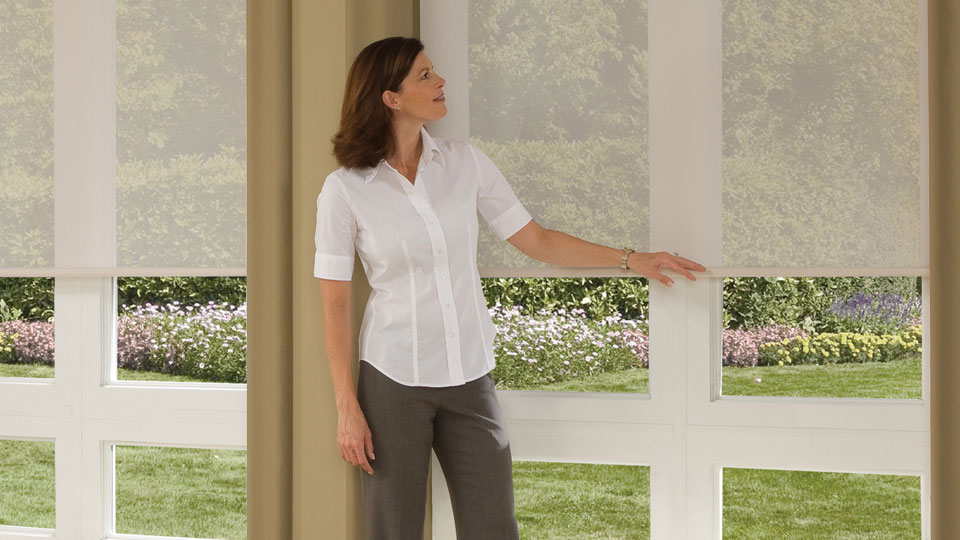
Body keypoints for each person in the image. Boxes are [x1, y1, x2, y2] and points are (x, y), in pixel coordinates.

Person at [314, 36, 705, 540]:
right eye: (425, 75)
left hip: (469, 375)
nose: (440, 81)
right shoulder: (345, 190)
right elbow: (335, 303)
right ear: (391, 97)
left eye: (434, 71)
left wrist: (631, 259)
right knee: (394, 530)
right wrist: (347, 408)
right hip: (394, 379)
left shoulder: (465, 163)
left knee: (494, 527)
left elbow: (536, 239)